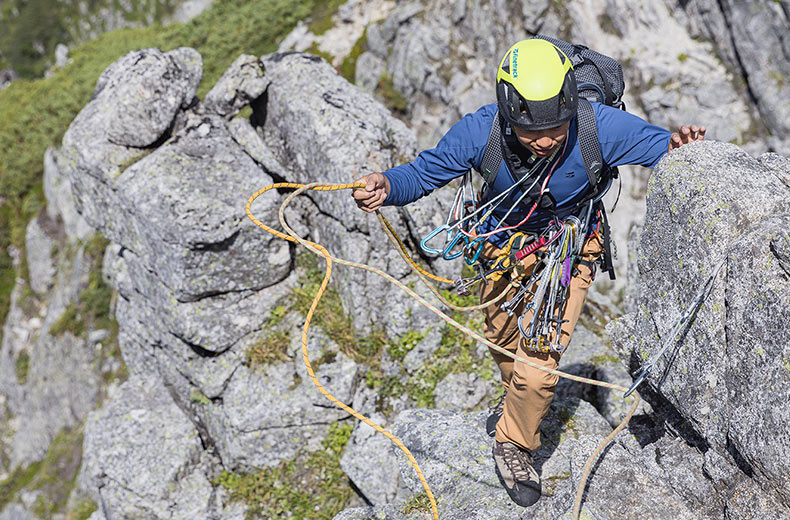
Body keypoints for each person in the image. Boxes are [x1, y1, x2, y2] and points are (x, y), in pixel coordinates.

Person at [352, 38, 705, 507]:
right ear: (508, 112)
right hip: (500, 249)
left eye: (557, 128)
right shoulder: (481, 132)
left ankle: (514, 444)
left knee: (536, 368)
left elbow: (662, 148)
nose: (545, 141)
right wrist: (387, 185)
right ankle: (515, 401)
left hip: (568, 250)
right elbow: (424, 172)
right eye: (530, 131)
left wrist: (681, 147)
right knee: (502, 342)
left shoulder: (598, 127)